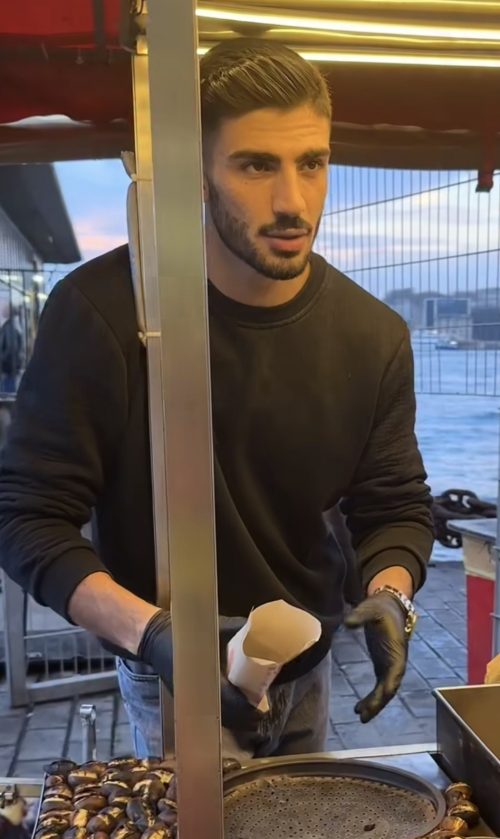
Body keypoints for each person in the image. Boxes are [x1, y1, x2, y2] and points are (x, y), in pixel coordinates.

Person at [0, 38, 433, 760]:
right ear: (197, 173)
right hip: (165, 670)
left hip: (308, 666)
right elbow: (28, 517)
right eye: (255, 165)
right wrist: (156, 636)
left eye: (312, 163)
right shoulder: (104, 313)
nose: (293, 202)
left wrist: (392, 594)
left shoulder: (374, 335)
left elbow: (394, 505)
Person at [0, 305, 22, 394]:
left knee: (7, 393)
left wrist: (1, 358)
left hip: (8, 368)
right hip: (9, 367)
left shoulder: (9, 327)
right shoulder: (11, 325)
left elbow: (11, 347)